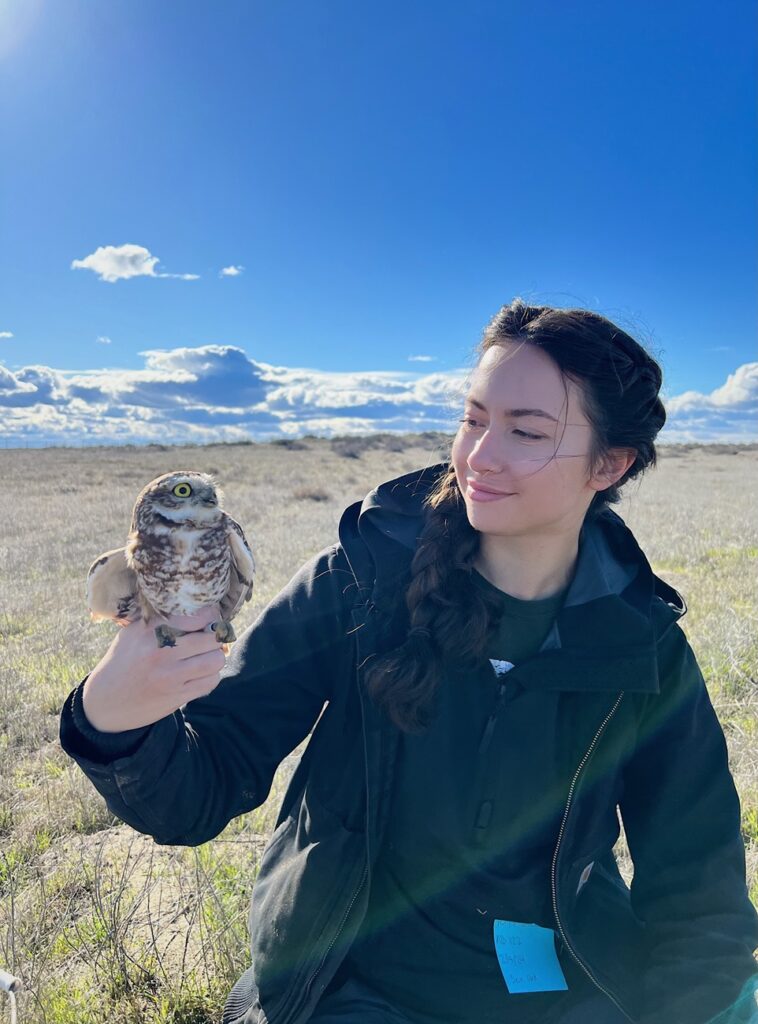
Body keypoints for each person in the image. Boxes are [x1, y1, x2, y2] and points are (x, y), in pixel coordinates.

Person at [59, 299, 758, 1024]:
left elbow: (698, 893)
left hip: (569, 990)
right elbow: (201, 791)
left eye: (525, 432)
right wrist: (114, 722)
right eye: (475, 419)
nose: (480, 456)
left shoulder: (641, 646)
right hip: (352, 987)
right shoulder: (359, 580)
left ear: (608, 465)